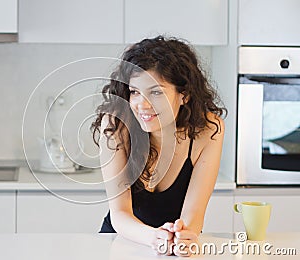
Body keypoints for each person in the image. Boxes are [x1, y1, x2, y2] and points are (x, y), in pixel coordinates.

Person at [91, 35, 226, 256]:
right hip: (120, 242)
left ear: (184, 95)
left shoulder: (209, 130)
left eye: (156, 92)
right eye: (134, 92)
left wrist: (183, 238)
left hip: (172, 248)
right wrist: (154, 237)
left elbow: (193, 215)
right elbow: (120, 214)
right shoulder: (117, 124)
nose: (142, 105)